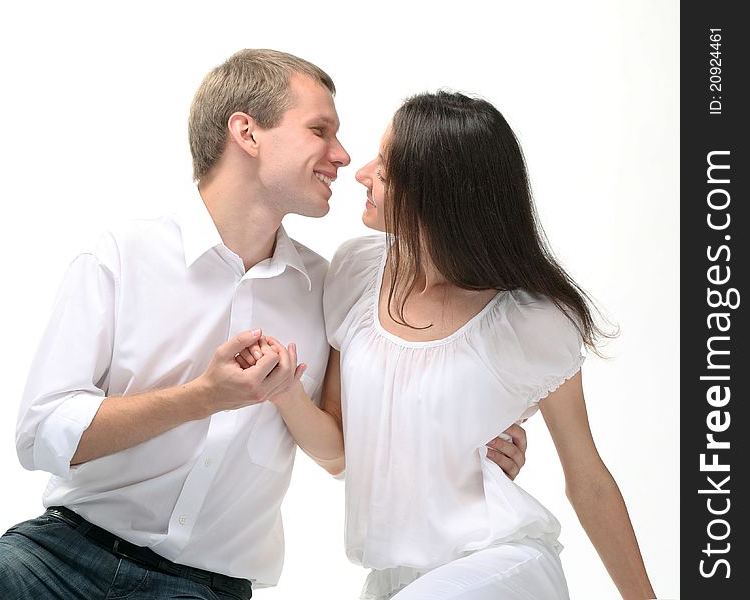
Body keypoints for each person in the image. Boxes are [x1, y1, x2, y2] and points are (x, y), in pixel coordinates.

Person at [0, 51, 526, 600]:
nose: (341, 154)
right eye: (319, 130)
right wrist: (203, 397)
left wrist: (472, 446)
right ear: (247, 133)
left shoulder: (327, 287)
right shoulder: (123, 257)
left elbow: (344, 449)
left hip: (204, 587)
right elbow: (40, 434)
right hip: (53, 561)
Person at [260, 91, 657, 599]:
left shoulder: (531, 320)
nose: (362, 173)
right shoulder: (356, 272)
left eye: (385, 168)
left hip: (498, 564)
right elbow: (340, 454)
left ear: (435, 192)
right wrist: (284, 392)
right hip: (394, 580)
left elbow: (588, 478)